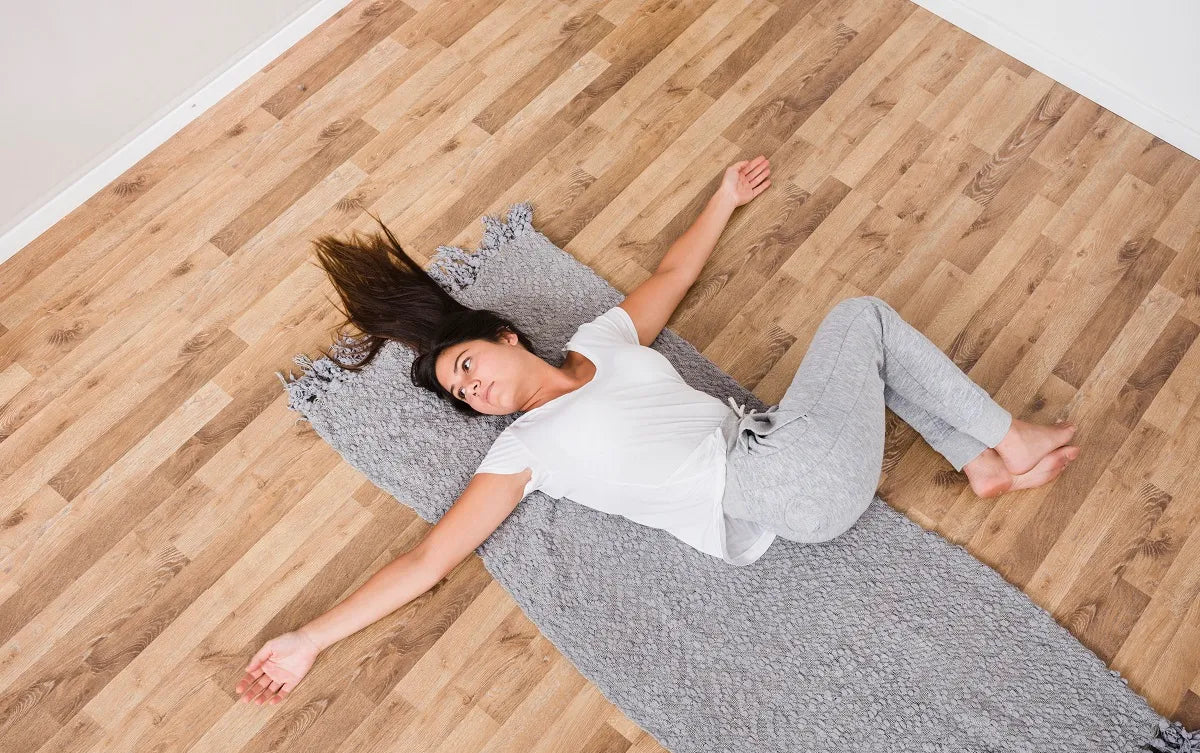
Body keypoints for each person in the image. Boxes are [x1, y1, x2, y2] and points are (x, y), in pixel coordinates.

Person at [236, 157, 1080, 705]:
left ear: (504, 336)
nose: (475, 390)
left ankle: (983, 459)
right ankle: (1013, 438)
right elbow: (427, 560)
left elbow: (670, 275)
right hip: (777, 483)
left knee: (872, 352)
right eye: (464, 395)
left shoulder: (600, 340)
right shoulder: (524, 451)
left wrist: (720, 197)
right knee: (863, 318)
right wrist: (308, 637)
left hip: (786, 458)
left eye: (466, 366)